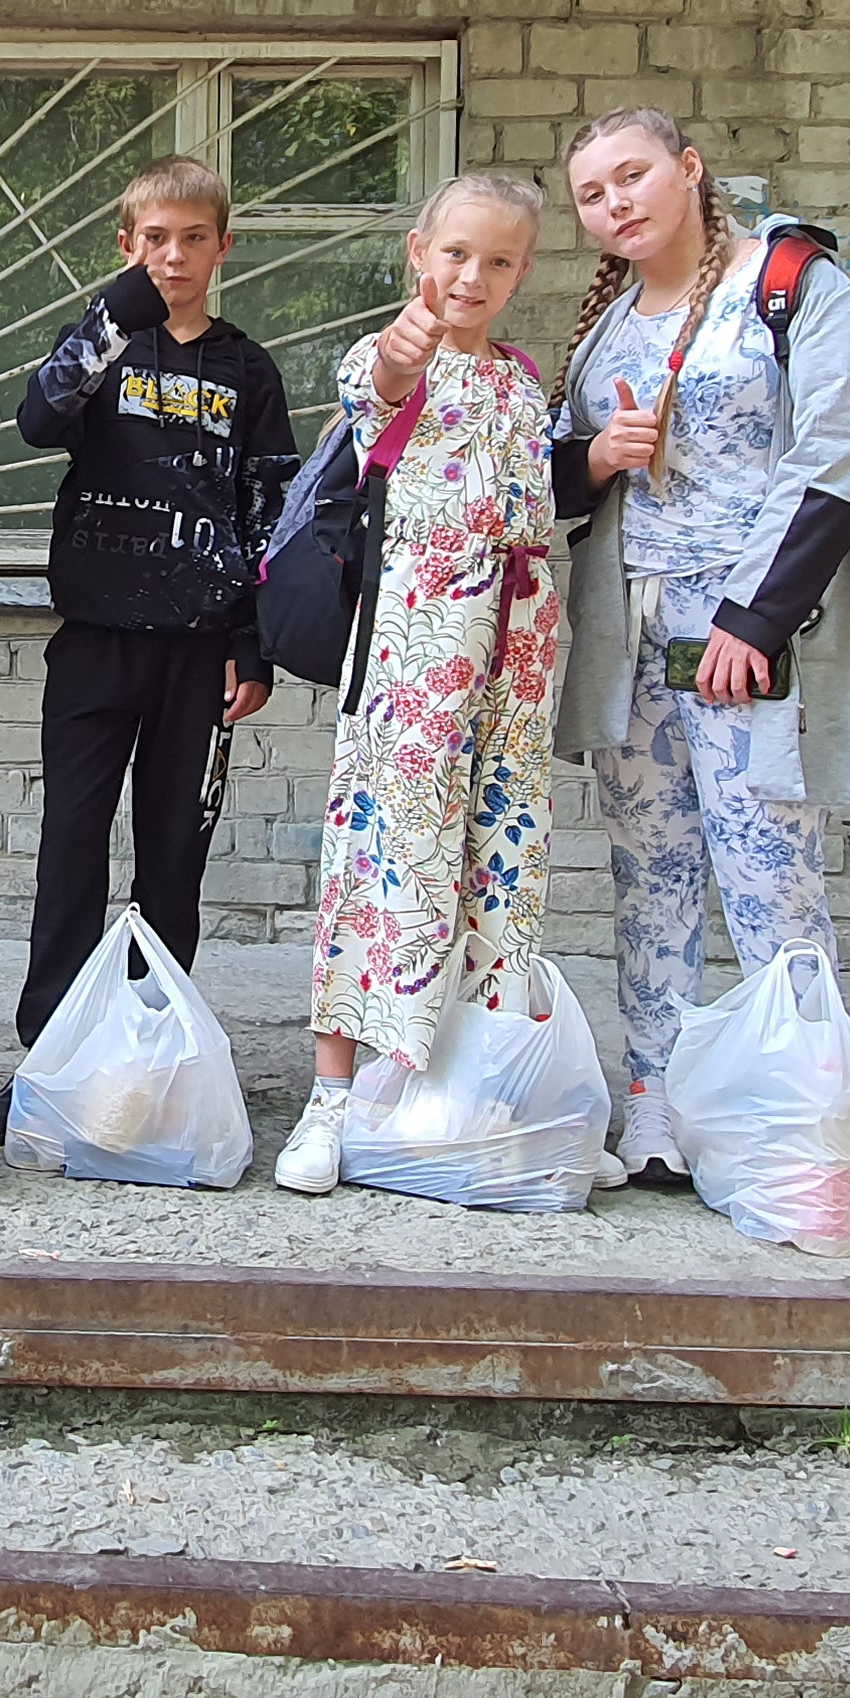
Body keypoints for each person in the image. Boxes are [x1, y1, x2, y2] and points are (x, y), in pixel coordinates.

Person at [547, 107, 850, 1187]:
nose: (618, 205)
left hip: (747, 635)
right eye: (594, 195)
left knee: (770, 879)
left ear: (689, 171)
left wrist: (755, 619)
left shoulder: (794, 289)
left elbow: (839, 454)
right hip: (632, 638)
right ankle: (656, 1108)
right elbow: (559, 478)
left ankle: (812, 1125)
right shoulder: (606, 328)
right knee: (649, 874)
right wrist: (597, 458)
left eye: (634, 176)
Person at [278, 174, 578, 1198]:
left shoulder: (523, 379)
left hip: (518, 658)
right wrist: (402, 350)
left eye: (498, 261)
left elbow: (531, 503)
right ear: (419, 253)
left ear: (523, 271)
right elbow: (381, 385)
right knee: (383, 856)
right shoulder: (388, 355)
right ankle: (336, 1098)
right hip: (417, 658)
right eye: (456, 255)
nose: (473, 277)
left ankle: (479, 1094)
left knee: (500, 865)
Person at [0, 154, 296, 1142]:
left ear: (221, 248)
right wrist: (109, 316)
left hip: (199, 655)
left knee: (173, 861)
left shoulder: (248, 370)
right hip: (93, 645)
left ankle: (155, 1064)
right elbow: (38, 420)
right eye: (153, 239)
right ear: (127, 246)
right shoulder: (105, 345)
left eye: (191, 239)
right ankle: (52, 1057)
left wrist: (253, 649)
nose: (173, 256)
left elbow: (268, 518)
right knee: (70, 852)